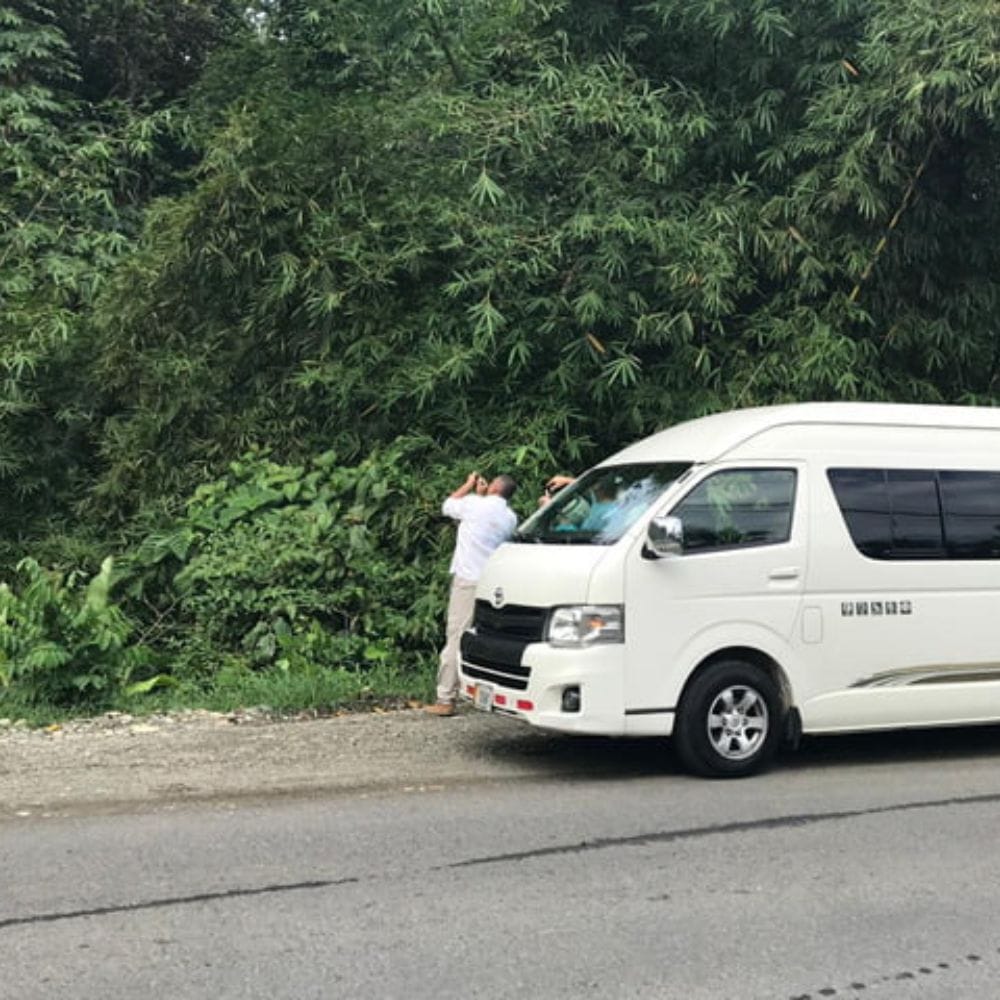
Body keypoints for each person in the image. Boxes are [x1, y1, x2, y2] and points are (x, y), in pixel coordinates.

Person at [426, 470, 518, 716]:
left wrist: (467, 484)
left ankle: (445, 698)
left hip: (467, 581)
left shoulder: (474, 505)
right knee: (483, 636)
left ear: (494, 487)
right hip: (492, 584)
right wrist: (479, 495)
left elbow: (448, 505)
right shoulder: (510, 517)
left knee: (456, 636)